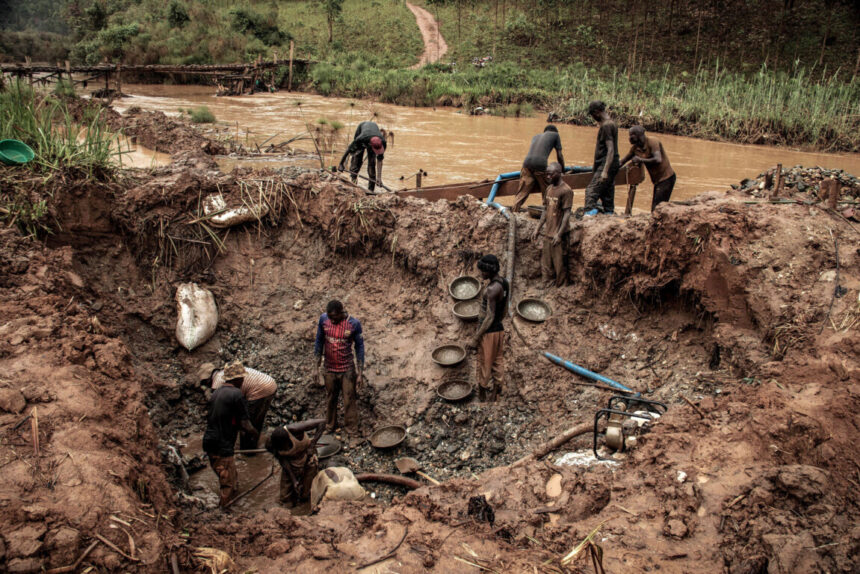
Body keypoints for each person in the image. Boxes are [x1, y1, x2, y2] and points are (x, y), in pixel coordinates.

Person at [202, 360, 259, 507]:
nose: (243, 380)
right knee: (227, 484)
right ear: (237, 379)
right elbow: (245, 424)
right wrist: (255, 434)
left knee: (229, 477)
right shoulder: (236, 395)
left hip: (209, 441)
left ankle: (232, 503)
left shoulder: (216, 393)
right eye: (242, 378)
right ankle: (224, 513)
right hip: (223, 445)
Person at [314, 300, 365, 436]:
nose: (332, 320)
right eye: (330, 317)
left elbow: (359, 348)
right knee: (331, 398)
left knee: (349, 399)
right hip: (329, 368)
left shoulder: (353, 324)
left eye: (334, 317)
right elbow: (319, 341)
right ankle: (330, 425)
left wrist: (360, 373)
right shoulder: (323, 320)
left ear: (342, 313)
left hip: (347, 369)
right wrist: (316, 367)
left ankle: (351, 430)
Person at [200, 362, 277, 451]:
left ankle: (247, 451)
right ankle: (253, 443)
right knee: (257, 419)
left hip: (259, 390)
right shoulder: (229, 372)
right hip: (270, 384)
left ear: (208, 380)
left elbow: (223, 407)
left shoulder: (217, 383)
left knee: (247, 422)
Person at [468, 255, 509, 401]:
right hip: (499, 330)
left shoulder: (492, 289)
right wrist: (499, 322)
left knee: (485, 363)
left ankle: (483, 395)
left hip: (489, 332)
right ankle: (497, 392)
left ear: (490, 270)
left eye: (483, 271)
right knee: (498, 361)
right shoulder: (504, 283)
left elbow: (489, 317)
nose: (481, 273)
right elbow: (504, 309)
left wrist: (476, 337)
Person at [265, 418, 326, 506]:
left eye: (285, 447)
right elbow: (283, 462)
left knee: (306, 494)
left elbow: (322, 421)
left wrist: (312, 444)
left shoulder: (296, 429)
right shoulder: (271, 445)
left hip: (308, 456)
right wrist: (294, 480)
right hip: (291, 463)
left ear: (287, 440)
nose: (285, 450)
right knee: (285, 498)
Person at [531, 163, 573, 287]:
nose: (548, 176)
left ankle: (561, 286)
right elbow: (545, 210)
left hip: (559, 233)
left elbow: (567, 213)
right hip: (548, 232)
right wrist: (538, 228)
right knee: (546, 261)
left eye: (551, 174)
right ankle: (546, 283)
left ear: (559, 173)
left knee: (559, 262)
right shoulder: (549, 189)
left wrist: (559, 234)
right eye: (547, 173)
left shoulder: (566, 191)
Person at [619, 126, 676, 211]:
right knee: (658, 207)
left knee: (656, 208)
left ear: (638, 135)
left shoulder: (653, 142)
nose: (629, 138)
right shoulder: (635, 149)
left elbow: (658, 159)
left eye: (631, 135)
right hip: (657, 180)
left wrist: (640, 159)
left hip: (666, 178)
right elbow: (622, 161)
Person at [513, 125, 565, 213]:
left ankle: (514, 212)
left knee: (521, 193)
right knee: (548, 191)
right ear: (554, 131)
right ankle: (549, 213)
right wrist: (562, 170)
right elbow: (559, 155)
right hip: (540, 165)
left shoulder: (535, 136)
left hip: (526, 165)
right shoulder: (555, 135)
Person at [584, 101, 619, 216]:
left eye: (592, 115)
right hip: (611, 163)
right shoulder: (612, 123)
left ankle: (590, 215)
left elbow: (610, 150)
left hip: (606, 163)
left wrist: (604, 171)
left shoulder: (606, 126)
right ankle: (609, 213)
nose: (593, 118)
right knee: (607, 191)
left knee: (591, 192)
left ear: (597, 112)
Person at [337, 121, 387, 192]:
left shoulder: (382, 142)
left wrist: (379, 178)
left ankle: (371, 190)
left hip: (372, 137)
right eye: (376, 150)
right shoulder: (361, 139)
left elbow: (379, 160)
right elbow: (348, 149)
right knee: (357, 159)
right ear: (370, 145)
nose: (378, 152)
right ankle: (354, 183)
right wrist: (341, 164)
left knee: (372, 164)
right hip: (362, 131)